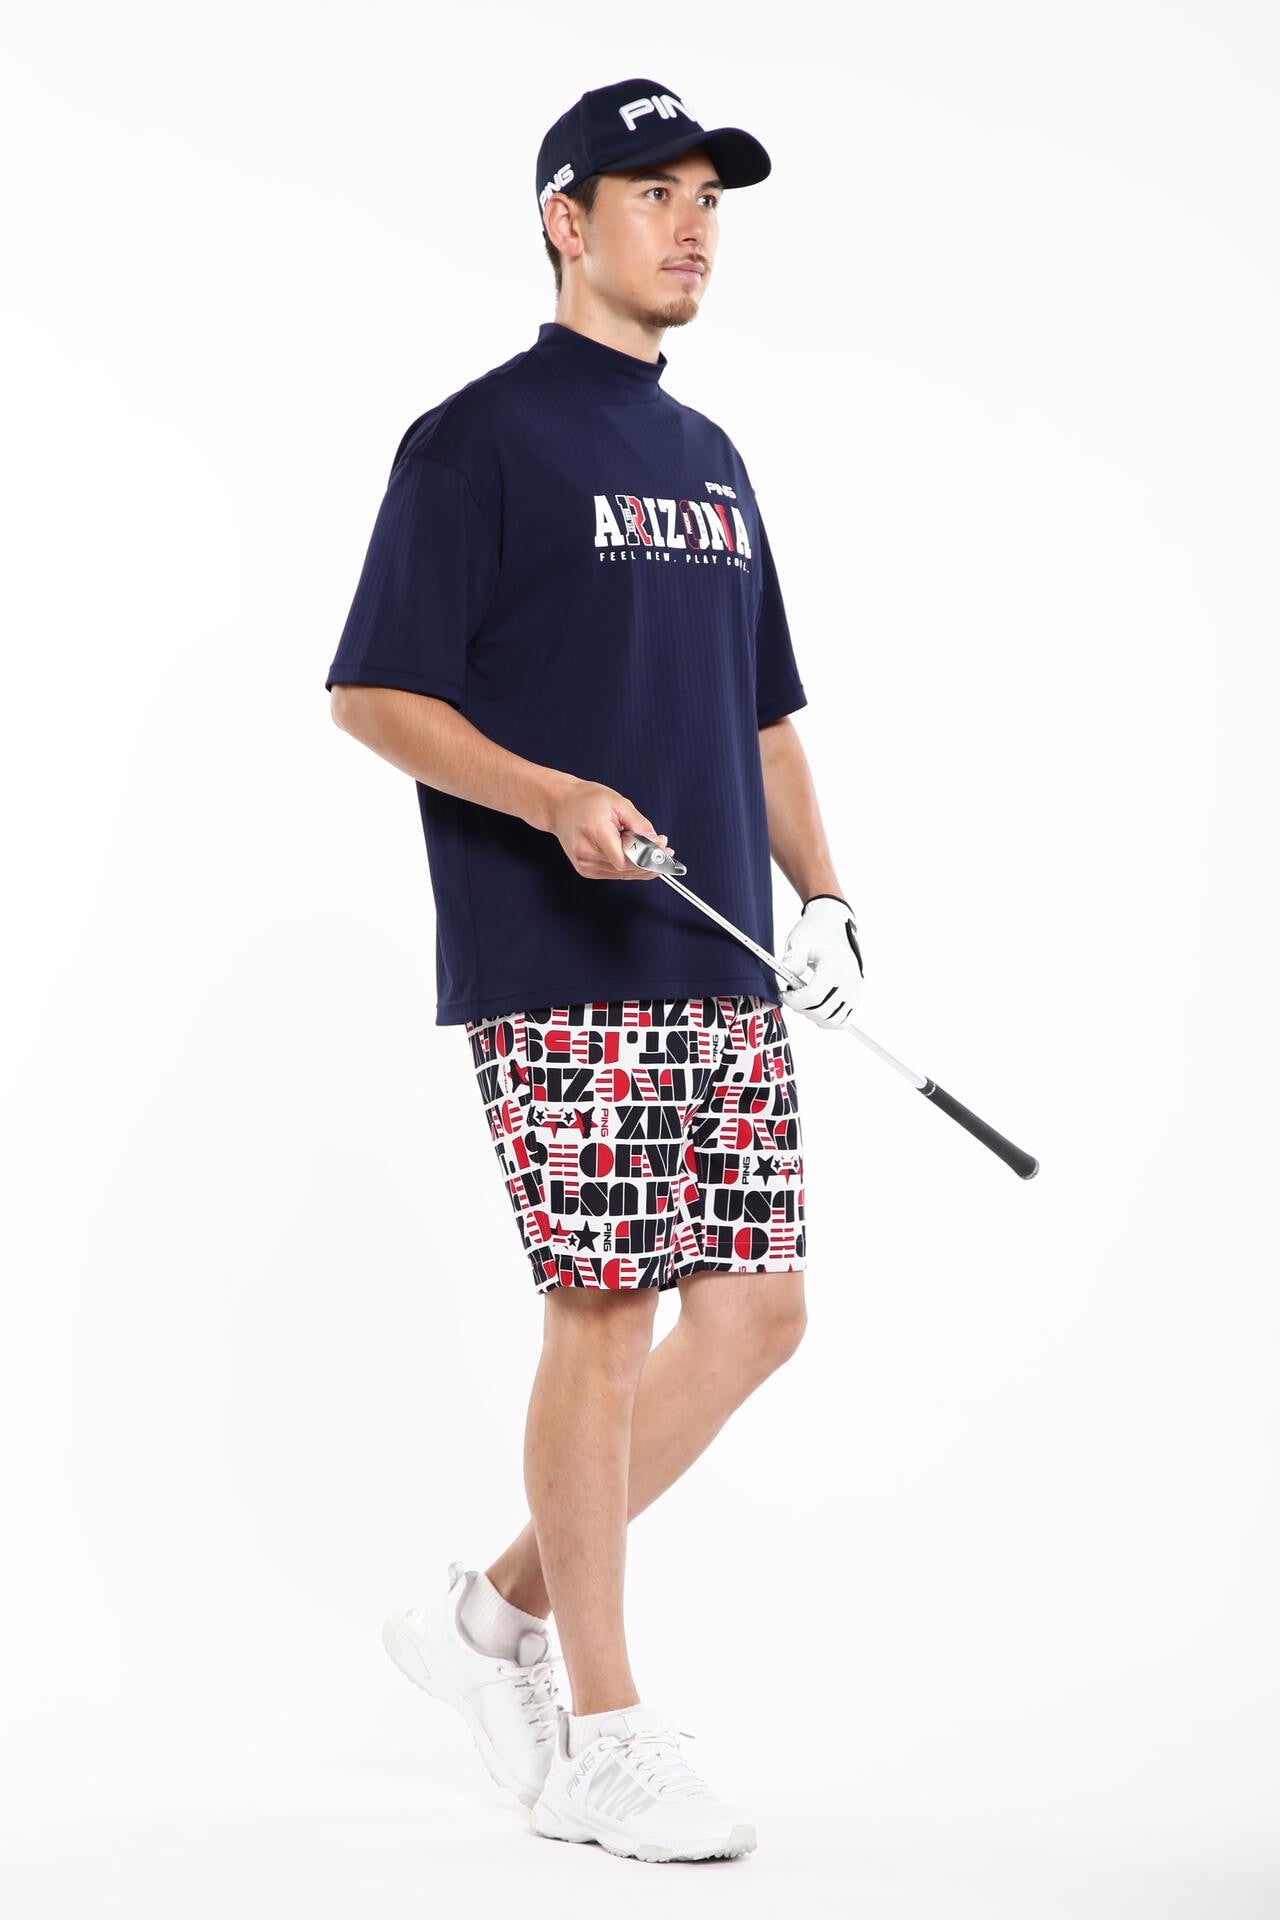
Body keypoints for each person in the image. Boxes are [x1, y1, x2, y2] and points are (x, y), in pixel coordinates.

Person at [325, 76, 864, 1865]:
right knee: (609, 1310)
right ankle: (604, 1735)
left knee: (760, 1315)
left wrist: (827, 900)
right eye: (654, 193)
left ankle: (485, 1623)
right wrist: (549, 796)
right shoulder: (476, 442)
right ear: (567, 220)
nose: (694, 225)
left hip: (718, 958)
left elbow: (764, 718)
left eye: (709, 198)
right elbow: (373, 692)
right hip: (564, 960)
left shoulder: (710, 457)